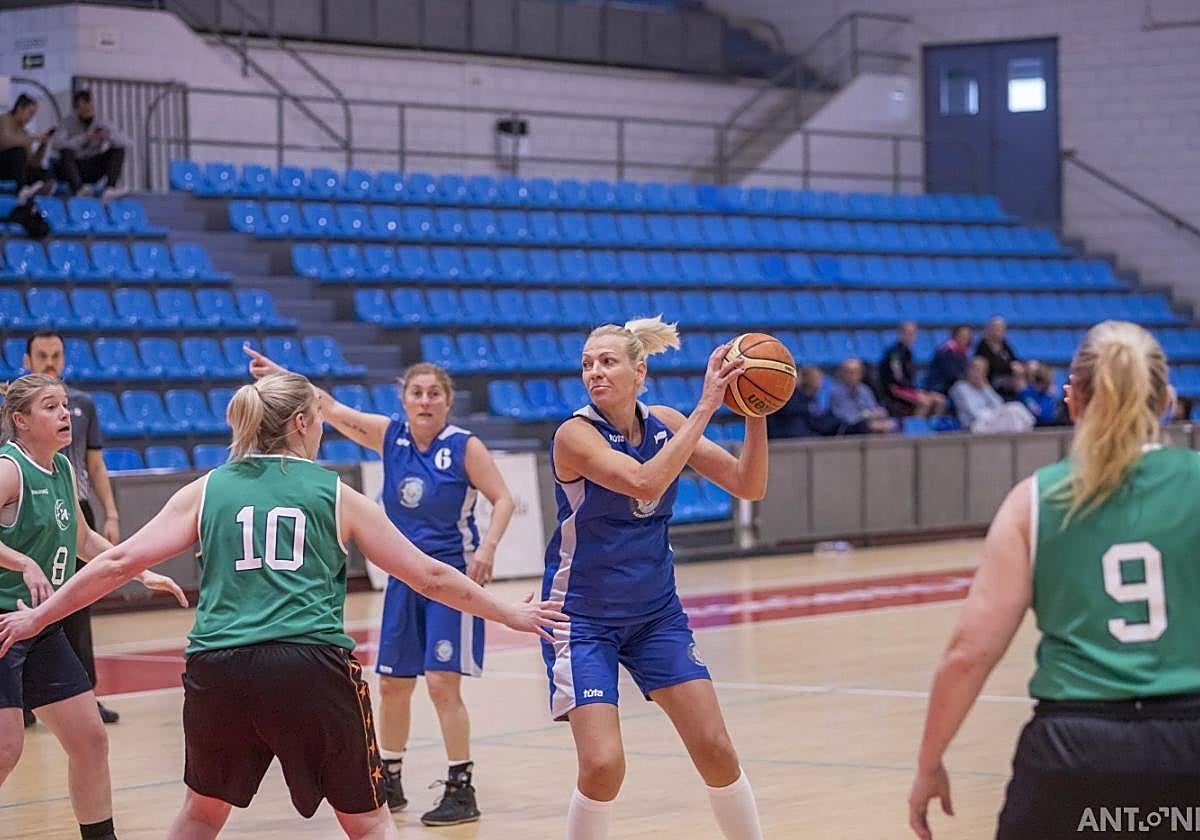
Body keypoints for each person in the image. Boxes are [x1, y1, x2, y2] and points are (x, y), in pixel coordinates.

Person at [0, 371, 566, 840]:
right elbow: (431, 576)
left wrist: (37, 617)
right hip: (308, 666)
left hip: (219, 669)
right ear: (299, 424)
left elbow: (117, 562)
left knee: (202, 814)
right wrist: (509, 613)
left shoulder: (208, 488)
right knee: (368, 822)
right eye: (317, 418)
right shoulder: (334, 493)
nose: (321, 428)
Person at [909, 321, 1200, 840]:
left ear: (1073, 400)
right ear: (1167, 401)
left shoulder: (1035, 500)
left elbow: (970, 653)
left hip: (1073, 750)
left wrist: (929, 763)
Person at [246, 350, 513, 826]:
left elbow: (504, 498)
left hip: (450, 578)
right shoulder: (391, 436)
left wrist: (487, 548)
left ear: (448, 401)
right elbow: (330, 408)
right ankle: (390, 776)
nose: (425, 401)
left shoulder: (464, 446)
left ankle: (461, 784)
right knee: (392, 684)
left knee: (441, 683)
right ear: (404, 400)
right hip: (403, 579)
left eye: (434, 393)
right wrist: (285, 378)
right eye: (417, 393)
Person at [545, 316, 766, 840]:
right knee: (603, 765)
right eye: (587, 364)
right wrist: (707, 405)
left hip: (655, 616)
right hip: (583, 619)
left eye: (607, 362)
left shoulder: (666, 422)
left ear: (639, 371)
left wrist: (756, 412)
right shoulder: (574, 435)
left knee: (716, 748)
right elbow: (645, 482)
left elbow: (747, 484)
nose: (594, 372)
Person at [0, 374, 186, 840]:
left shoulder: (63, 468)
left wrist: (140, 571)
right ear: (21, 420)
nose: (65, 414)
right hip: (4, 626)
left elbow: (83, 541)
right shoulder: (9, 469)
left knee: (89, 739)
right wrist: (23, 562)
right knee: (6, 748)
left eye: (64, 405)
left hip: (39, 626)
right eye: (50, 407)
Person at [22, 330, 122, 726]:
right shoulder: (15, 411)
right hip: (28, 513)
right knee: (27, 601)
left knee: (78, 605)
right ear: (27, 360)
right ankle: (20, 700)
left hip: (74, 508)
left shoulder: (81, 404)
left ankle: (84, 694)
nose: (50, 362)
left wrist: (111, 513)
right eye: (42, 355)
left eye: (56, 355)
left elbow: (94, 464)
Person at [54, 90, 128, 198]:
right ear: (76, 109)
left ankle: (110, 188)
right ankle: (79, 190)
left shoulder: (101, 122)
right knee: (66, 152)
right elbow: (57, 144)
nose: (87, 111)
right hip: (74, 166)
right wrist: (83, 138)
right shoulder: (66, 123)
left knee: (118, 149)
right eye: (83, 109)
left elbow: (125, 141)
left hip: (93, 166)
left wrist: (109, 137)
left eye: (90, 108)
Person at [949, 358, 1034, 434]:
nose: (977, 374)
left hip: (990, 420)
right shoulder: (960, 387)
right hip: (974, 425)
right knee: (1013, 411)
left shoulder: (985, 387)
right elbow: (972, 412)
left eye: (981, 371)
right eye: (975, 370)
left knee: (1016, 407)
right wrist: (993, 414)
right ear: (968, 371)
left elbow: (1000, 404)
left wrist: (985, 388)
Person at [879, 322, 946, 417]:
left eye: (912, 334)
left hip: (909, 388)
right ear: (900, 334)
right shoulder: (894, 353)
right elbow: (898, 378)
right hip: (895, 389)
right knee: (925, 402)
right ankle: (916, 424)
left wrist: (917, 390)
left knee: (940, 400)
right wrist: (915, 391)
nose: (910, 337)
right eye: (907, 333)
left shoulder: (908, 353)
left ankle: (934, 424)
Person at [0, 94, 56, 201]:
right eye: (30, 113)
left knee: (43, 171)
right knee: (18, 152)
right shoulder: (3, 120)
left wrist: (43, 145)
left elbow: (32, 162)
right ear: (19, 108)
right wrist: (31, 138)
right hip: (3, 164)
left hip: (16, 170)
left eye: (33, 115)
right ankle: (22, 190)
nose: (31, 118)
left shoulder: (24, 133)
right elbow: (5, 142)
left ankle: (42, 192)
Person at [766, 366, 843, 438]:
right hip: (788, 439)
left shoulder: (812, 400)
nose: (821, 381)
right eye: (817, 378)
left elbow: (819, 423)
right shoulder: (793, 400)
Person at [829, 359, 897, 434]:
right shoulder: (837, 393)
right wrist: (867, 416)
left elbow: (872, 409)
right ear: (843, 374)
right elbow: (848, 418)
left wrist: (879, 413)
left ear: (861, 374)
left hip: (867, 424)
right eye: (849, 372)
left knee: (891, 423)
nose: (852, 376)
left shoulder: (865, 390)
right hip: (847, 428)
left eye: (856, 372)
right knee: (869, 426)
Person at [975, 316, 1023, 398]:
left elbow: (1014, 359)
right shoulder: (983, 346)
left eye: (1001, 329)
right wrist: (1010, 367)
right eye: (996, 328)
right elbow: (992, 367)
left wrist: (1017, 367)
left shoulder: (1004, 344)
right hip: (992, 380)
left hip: (1007, 378)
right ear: (989, 329)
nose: (999, 332)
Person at [925, 325, 973, 395]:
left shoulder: (962, 353)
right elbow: (952, 375)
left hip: (952, 387)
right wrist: (969, 380)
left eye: (967, 337)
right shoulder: (946, 351)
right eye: (962, 336)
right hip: (938, 388)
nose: (964, 339)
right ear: (954, 336)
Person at [1018, 362, 1065, 427]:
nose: (1050, 385)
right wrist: (1048, 397)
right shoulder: (1026, 394)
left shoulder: (1048, 394)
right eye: (1047, 383)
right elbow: (1043, 416)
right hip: (1033, 428)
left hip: (1049, 426)